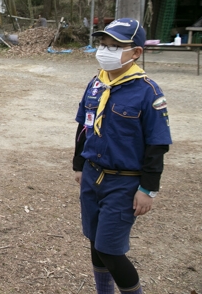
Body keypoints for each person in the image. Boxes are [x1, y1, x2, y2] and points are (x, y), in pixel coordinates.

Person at [73, 18, 172, 294]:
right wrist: (79, 164)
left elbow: (157, 144)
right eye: (104, 44)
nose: (106, 51)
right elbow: (84, 126)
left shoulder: (147, 92)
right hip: (93, 175)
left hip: (124, 183)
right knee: (95, 242)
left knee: (110, 249)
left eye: (115, 46)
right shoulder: (96, 84)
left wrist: (148, 189)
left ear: (136, 52)